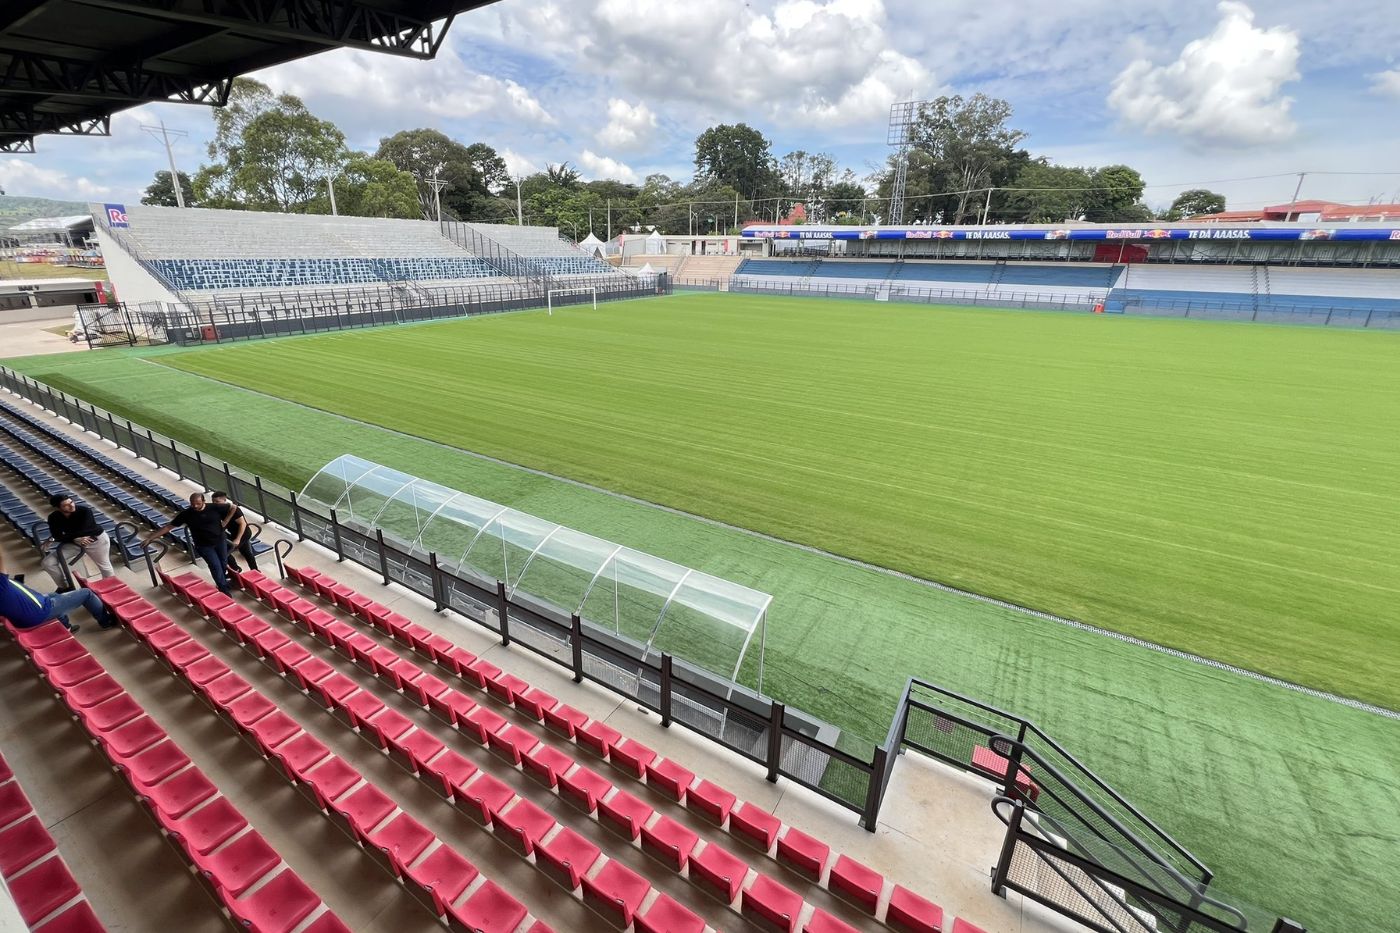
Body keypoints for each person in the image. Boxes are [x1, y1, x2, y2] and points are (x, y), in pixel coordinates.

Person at [0, 547, 114, 633]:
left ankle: (66, 627)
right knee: (86, 593)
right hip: (38, 612)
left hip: (23, 617)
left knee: (55, 595)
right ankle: (105, 621)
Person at [144, 492, 233, 595]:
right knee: (215, 565)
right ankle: (223, 589)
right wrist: (150, 538)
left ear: (204, 501)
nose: (195, 506)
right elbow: (168, 527)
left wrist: (225, 521)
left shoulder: (215, 507)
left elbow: (233, 507)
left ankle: (222, 582)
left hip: (220, 541)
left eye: (198, 503)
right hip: (203, 545)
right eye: (192, 503)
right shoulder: (186, 514)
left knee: (223, 563)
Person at [41, 494, 115, 590]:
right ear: (57, 508)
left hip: (96, 540)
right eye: (65, 505)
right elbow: (57, 535)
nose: (71, 506)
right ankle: (65, 587)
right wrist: (72, 539)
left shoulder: (85, 511)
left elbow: (85, 531)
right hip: (75, 543)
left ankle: (111, 589)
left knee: (105, 566)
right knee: (47, 562)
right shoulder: (53, 517)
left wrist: (68, 537)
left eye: (71, 502)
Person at [211, 491, 258, 574]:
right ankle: (255, 570)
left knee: (225, 552)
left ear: (224, 500)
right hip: (233, 533)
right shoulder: (218, 509)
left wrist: (238, 539)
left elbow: (242, 524)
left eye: (217, 502)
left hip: (243, 534)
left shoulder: (235, 510)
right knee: (246, 552)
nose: (215, 504)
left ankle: (236, 568)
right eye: (213, 501)